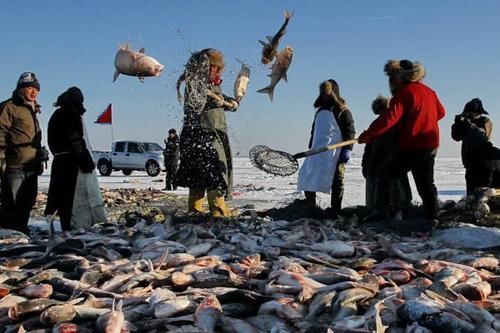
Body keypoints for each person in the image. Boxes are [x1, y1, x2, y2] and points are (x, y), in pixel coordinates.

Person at [358, 59, 446, 227]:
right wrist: (424, 119)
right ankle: (432, 215)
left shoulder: (404, 93)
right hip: (431, 144)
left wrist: (368, 135)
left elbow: (389, 119)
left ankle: (381, 212)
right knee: (425, 181)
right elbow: (441, 112)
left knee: (386, 172)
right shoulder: (430, 92)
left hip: (412, 144)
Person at [175, 48, 240, 217]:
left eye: (218, 69)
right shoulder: (194, 82)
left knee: (201, 174)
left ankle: (196, 210)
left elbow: (220, 98)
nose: (216, 71)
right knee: (213, 174)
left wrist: (231, 102)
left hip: (206, 134)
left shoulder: (212, 84)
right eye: (214, 68)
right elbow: (202, 98)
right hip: (204, 135)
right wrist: (221, 102)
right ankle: (217, 210)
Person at [44, 87, 107, 230]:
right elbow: (76, 139)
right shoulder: (69, 115)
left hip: (61, 162)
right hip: (71, 164)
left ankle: (67, 225)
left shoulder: (58, 114)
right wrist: (83, 157)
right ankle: (75, 227)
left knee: (62, 198)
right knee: (72, 199)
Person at [0, 72, 48, 234]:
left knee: (27, 201)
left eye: (36, 89)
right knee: (11, 204)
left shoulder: (33, 109)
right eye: (28, 87)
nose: (33, 92)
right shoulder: (10, 107)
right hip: (14, 165)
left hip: (31, 166)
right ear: (20, 89)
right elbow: (0, 132)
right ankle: (8, 236)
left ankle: (21, 231)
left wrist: (40, 154)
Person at [297, 80, 343, 213]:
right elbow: (314, 129)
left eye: (327, 94)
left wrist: (347, 151)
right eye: (323, 94)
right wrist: (311, 144)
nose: (325, 97)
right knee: (306, 175)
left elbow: (349, 130)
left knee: (336, 180)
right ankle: (311, 206)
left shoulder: (341, 110)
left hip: (333, 153)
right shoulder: (320, 111)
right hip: (316, 152)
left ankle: (336, 209)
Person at [361, 95, 412, 210]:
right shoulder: (377, 125)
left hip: (393, 167)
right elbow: (368, 148)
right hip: (378, 169)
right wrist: (365, 166)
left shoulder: (397, 124)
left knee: (397, 200)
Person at [452, 98, 500, 195]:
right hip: (473, 163)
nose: (476, 115)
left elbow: (482, 137)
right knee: (475, 196)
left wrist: (470, 126)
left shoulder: (485, 122)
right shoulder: (464, 123)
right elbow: (456, 136)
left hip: (482, 162)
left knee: (481, 196)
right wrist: (459, 124)